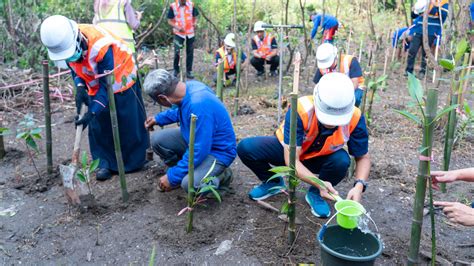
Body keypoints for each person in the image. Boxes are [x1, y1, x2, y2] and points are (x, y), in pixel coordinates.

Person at [237, 73, 370, 218]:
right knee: (247, 148)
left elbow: (362, 157)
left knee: (342, 160)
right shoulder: (301, 109)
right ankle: (273, 182)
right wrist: (320, 182)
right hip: (288, 152)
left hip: (319, 157)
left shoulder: (355, 117)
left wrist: (359, 185)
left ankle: (315, 193)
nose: (331, 124)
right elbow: (292, 161)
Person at [40, 15, 149, 180]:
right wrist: (80, 87)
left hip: (121, 77)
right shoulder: (65, 44)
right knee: (99, 126)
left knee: (125, 122)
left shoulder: (101, 46)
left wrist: (91, 113)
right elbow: (74, 67)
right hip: (95, 81)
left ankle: (132, 163)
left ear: (78, 40)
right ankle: (104, 163)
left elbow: (105, 87)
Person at [143, 69, 236, 192]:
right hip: (198, 141)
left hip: (218, 151)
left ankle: (222, 176)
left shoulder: (199, 104)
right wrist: (158, 119)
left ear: (162, 98)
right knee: (158, 139)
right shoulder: (189, 88)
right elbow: (182, 111)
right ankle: (185, 171)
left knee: (190, 184)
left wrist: (172, 177)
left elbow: (200, 149)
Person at [405, 0, 448, 77]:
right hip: (418, 29)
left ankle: (422, 71)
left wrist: (434, 5)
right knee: (412, 50)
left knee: (426, 52)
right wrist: (415, 9)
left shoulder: (443, 2)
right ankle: (408, 71)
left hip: (431, 30)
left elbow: (443, 16)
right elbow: (413, 15)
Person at [314, 43, 365, 107]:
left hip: (354, 87)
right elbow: (317, 85)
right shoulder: (322, 67)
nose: (327, 67)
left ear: (335, 57)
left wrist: (342, 96)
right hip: (334, 88)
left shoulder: (350, 61)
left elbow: (355, 83)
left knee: (354, 100)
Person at [168, 0, 199, 79]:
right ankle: (176, 70)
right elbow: (169, 21)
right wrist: (178, 27)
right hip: (178, 33)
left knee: (190, 52)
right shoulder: (173, 6)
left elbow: (195, 17)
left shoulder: (191, 4)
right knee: (177, 52)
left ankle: (189, 71)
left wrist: (195, 23)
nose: (183, 2)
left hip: (190, 33)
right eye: (182, 1)